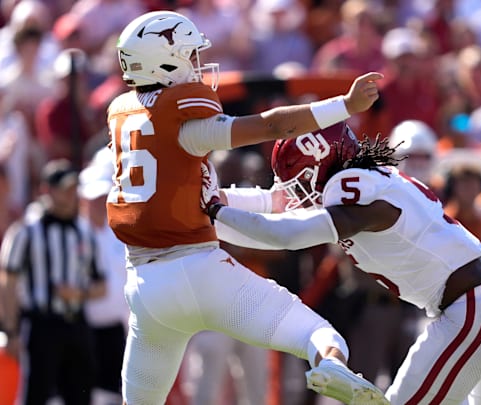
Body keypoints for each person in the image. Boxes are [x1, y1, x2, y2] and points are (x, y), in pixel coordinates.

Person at [107, 10, 385, 405]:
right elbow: (272, 125)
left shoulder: (126, 121)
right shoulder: (188, 125)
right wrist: (343, 104)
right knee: (318, 336)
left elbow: (199, 200)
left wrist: (271, 201)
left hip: (146, 289)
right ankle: (332, 368)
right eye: (189, 57)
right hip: (202, 270)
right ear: (165, 62)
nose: (197, 67)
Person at [202, 122, 481, 404]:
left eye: (301, 178)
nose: (297, 191)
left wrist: (213, 213)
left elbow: (285, 234)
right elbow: (277, 203)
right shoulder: (370, 179)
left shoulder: (353, 189)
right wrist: (214, 199)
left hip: (474, 308)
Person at [0, 158, 107, 405]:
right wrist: (11, 330)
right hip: (40, 325)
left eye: (73, 188)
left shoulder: (85, 232)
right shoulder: (27, 231)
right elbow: (8, 282)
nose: (70, 195)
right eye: (64, 188)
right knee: (35, 394)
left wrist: (78, 295)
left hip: (77, 325)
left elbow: (101, 285)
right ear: (46, 190)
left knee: (80, 394)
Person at [78, 147, 129, 405]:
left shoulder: (121, 232)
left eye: (102, 197)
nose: (98, 204)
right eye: (93, 198)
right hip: (82, 330)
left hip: (120, 330)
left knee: (114, 395)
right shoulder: (72, 235)